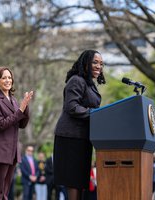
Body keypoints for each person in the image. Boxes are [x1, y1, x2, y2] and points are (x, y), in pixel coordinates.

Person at [53, 50, 105, 200]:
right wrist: (96, 114)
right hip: (70, 137)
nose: (98, 66)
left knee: (81, 182)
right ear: (85, 63)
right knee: (74, 182)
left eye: (101, 64)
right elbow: (72, 107)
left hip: (83, 138)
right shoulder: (76, 80)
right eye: (95, 62)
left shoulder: (90, 85)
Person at [0, 66, 33, 200]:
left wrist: (25, 107)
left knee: (5, 193)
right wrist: (21, 109)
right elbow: (1, 124)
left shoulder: (14, 100)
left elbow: (22, 124)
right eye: (4, 77)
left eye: (10, 77)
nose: (8, 80)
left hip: (12, 152)